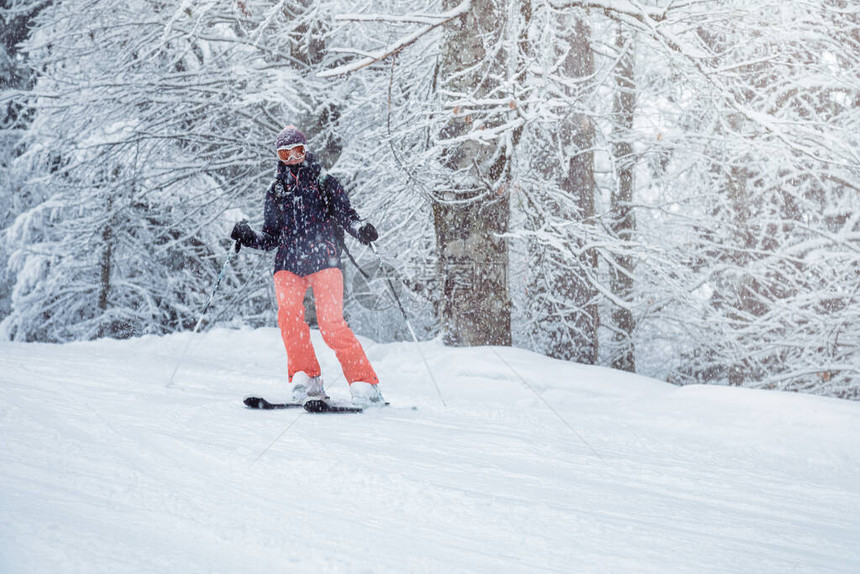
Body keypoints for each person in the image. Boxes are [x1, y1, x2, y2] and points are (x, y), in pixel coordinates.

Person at [231, 126, 384, 407]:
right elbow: (271, 237)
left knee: (330, 324)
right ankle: (308, 376)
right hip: (288, 262)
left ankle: (365, 382)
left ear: (306, 150)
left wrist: (360, 228)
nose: (292, 158)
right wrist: (249, 236)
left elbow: (345, 214)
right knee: (289, 318)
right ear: (278, 156)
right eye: (285, 153)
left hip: (323, 257)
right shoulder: (275, 191)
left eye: (297, 151)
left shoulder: (325, 182)